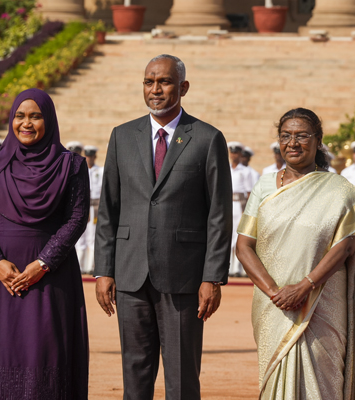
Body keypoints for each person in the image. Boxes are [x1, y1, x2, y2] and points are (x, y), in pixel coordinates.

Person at [94, 54, 232, 399]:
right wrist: (103, 271)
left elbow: (219, 214)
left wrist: (212, 277)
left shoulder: (206, 138)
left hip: (183, 277)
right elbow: (108, 209)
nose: (155, 89)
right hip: (129, 274)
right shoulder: (122, 136)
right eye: (148, 82)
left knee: (183, 378)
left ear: (183, 87)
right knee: (135, 374)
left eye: (164, 82)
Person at [236, 108, 355, 399]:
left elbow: (347, 245)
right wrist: (275, 292)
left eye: (301, 135)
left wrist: (305, 286)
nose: (292, 143)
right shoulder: (264, 186)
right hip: (273, 306)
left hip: (321, 304)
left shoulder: (338, 189)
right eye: (285, 136)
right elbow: (243, 245)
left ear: (318, 140)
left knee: (322, 379)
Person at [0, 88, 90, 398]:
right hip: (1, 279)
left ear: (48, 120)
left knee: (48, 354)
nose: (27, 123)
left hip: (52, 278)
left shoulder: (71, 165)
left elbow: (76, 219)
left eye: (35, 116)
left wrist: (43, 263)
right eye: (20, 116)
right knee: (3, 353)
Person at [75, 145, 102, 274]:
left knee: (92, 236)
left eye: (91, 156)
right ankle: (79, 265)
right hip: (82, 205)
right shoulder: (81, 170)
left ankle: (91, 266)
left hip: (95, 207)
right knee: (80, 237)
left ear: (95, 157)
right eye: (87, 156)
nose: (89, 158)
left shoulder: (100, 171)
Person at [229, 141, 255, 277]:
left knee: (238, 235)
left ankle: (238, 268)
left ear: (240, 154)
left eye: (236, 153)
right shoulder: (226, 168)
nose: (234, 155)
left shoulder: (245, 171)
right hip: (228, 204)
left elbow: (249, 192)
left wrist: (247, 211)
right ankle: (229, 267)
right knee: (228, 235)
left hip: (240, 205)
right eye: (232, 152)